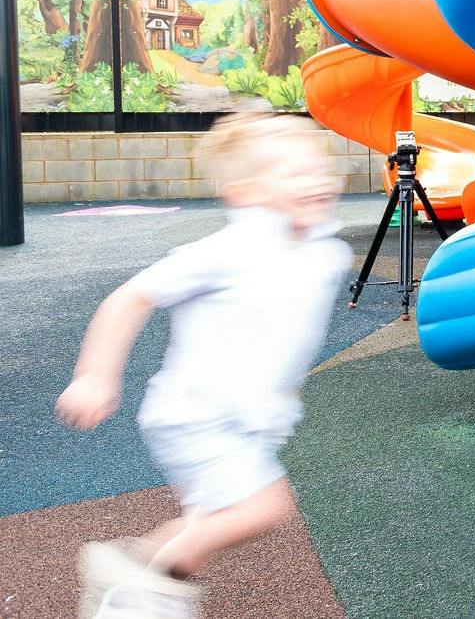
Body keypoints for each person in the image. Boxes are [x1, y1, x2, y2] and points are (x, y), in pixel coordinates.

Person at [56, 112, 351, 619]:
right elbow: (130, 299)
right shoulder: (228, 251)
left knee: (212, 520)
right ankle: (135, 585)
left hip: (252, 417)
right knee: (262, 507)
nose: (317, 181)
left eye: (320, 169)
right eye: (295, 173)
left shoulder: (327, 253)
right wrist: (95, 375)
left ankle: (134, 575)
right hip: (197, 412)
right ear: (244, 193)